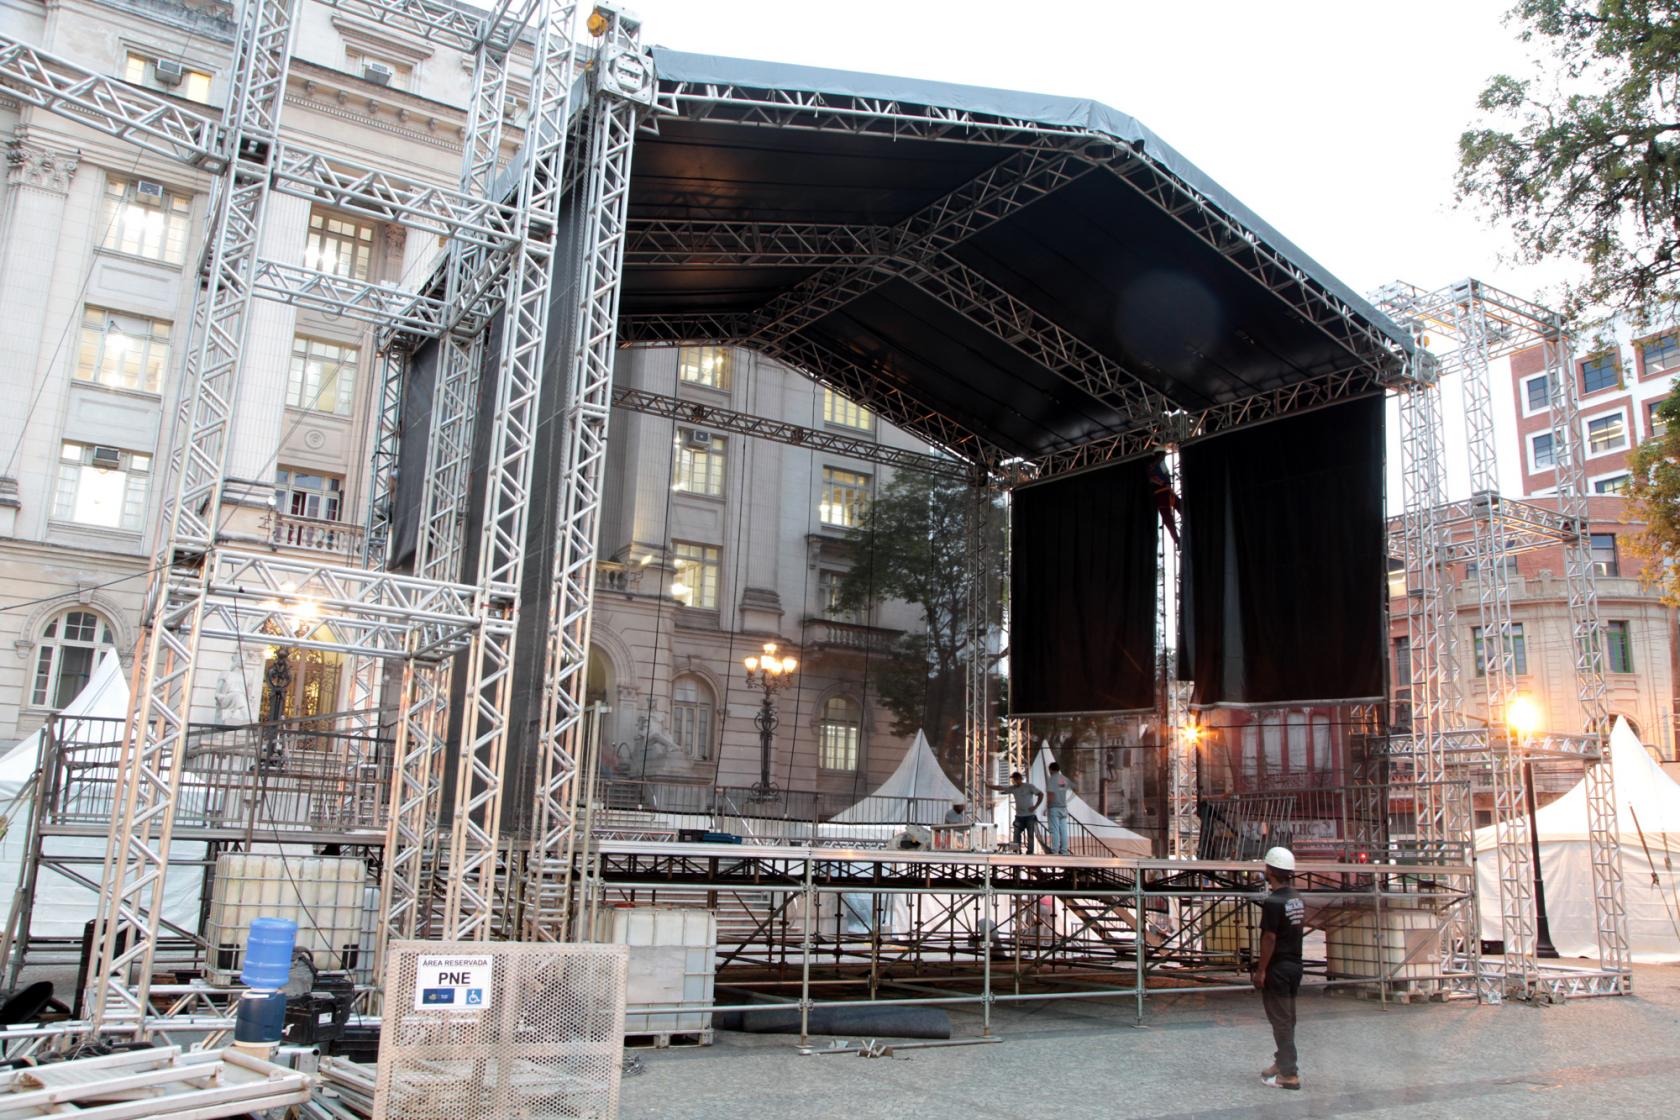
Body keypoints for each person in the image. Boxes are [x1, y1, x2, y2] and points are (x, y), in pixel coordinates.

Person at [1253, 846, 1305, 1090]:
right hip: (1295, 965)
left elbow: (1269, 938)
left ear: (1270, 870)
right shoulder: (1296, 898)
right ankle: (1281, 1061)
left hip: (1279, 968)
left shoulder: (1274, 902)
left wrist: (1261, 970)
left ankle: (1289, 1074)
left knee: (1281, 1020)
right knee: (1288, 1018)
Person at [987, 772, 1042, 853]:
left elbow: (1041, 794)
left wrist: (1036, 806)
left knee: (1030, 834)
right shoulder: (1013, 788)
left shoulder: (1029, 786)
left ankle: (1030, 851)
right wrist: (989, 786)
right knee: (1016, 833)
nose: (1014, 781)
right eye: (1013, 780)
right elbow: (1000, 787)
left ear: (1020, 779)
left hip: (1030, 815)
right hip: (1019, 816)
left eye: (1015, 779)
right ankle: (1015, 850)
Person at [1044, 762, 1072, 855]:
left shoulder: (1052, 779)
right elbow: (1074, 788)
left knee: (1055, 829)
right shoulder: (1063, 779)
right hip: (1063, 807)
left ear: (1051, 769)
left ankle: (1055, 850)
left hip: (1054, 807)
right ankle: (1064, 850)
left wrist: (1046, 807)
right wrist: (1066, 800)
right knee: (1063, 830)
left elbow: (1051, 794)